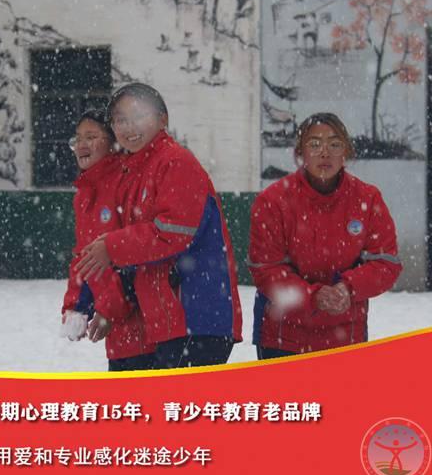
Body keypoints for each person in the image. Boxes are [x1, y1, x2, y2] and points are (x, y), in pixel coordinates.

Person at [76, 83, 243, 369]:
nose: (129, 127)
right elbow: (134, 259)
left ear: (162, 119)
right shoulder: (136, 171)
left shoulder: (176, 162)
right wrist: (103, 305)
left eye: (139, 116)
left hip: (196, 318)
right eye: (120, 120)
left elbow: (172, 233)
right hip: (171, 322)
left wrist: (111, 247)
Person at [248, 112, 402, 359]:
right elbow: (265, 269)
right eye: (315, 144)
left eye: (334, 144)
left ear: (346, 152)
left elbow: (386, 263)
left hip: (346, 337)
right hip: (282, 337)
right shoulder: (272, 201)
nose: (325, 153)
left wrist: (347, 288)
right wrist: (312, 296)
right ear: (300, 152)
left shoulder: (367, 198)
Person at [61, 109, 154, 371]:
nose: (82, 145)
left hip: (146, 322)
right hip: (116, 328)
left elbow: (136, 255)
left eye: (91, 137)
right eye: (78, 138)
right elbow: (84, 257)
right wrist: (76, 306)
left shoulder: (126, 182)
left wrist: (109, 309)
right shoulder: (85, 193)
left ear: (113, 142)